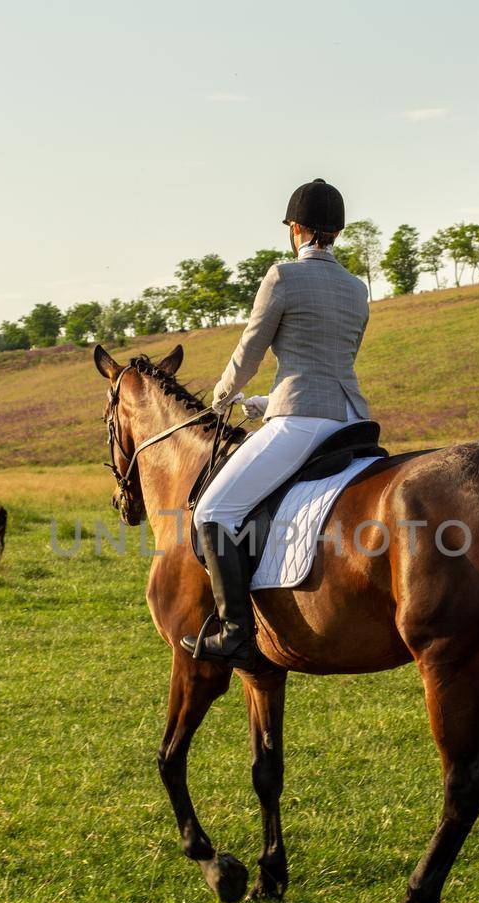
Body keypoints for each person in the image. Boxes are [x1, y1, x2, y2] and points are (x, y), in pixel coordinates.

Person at [182, 178, 372, 668]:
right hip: (350, 419)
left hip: (303, 422)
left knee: (213, 512)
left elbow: (250, 350)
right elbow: (327, 365)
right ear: (336, 232)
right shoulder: (356, 288)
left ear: (297, 228)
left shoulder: (283, 277)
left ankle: (234, 633)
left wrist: (220, 397)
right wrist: (266, 401)